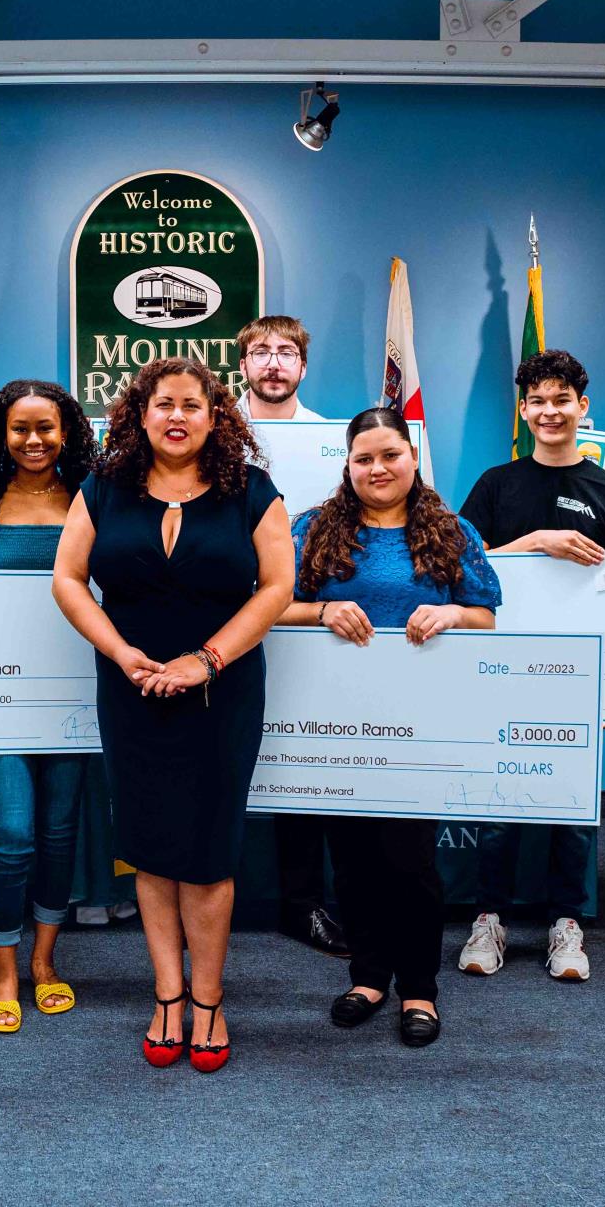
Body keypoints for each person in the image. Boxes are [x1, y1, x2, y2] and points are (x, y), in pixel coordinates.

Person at [54, 357, 293, 1073]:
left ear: (216, 418)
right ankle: (167, 994)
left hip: (222, 692)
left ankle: (209, 1000)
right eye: (165, 404)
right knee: (151, 844)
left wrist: (206, 659)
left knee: (210, 849)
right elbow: (68, 579)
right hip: (130, 688)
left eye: (193, 404)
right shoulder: (103, 487)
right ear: (140, 413)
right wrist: (119, 651)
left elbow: (277, 587)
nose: (178, 416)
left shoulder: (251, 490)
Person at [280, 408, 501, 1047]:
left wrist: (451, 615)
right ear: (348, 466)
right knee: (351, 861)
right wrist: (321, 610)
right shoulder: (312, 530)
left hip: (421, 724)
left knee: (410, 862)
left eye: (390, 455)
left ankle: (419, 987)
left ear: (412, 457)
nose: (378, 468)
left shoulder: (452, 531)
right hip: (336, 724)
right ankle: (369, 976)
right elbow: (272, 607)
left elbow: (487, 618)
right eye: (364, 459)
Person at [455, 350, 605, 983]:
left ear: (582, 407)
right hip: (502, 668)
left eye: (562, 399)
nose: (550, 411)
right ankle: (489, 918)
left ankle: (567, 923)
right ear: (523, 410)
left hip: (579, 676)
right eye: (537, 400)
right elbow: (463, 569)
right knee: (499, 802)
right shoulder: (496, 485)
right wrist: (537, 543)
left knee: (573, 807)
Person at [0, 380, 100, 1032]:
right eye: (20, 428)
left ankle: (44, 960)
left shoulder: (93, 498)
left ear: (67, 432)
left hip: (74, 695)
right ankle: (4, 969)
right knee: (12, 832)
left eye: (46, 427)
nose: (33, 440)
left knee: (60, 831)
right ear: (0, 435)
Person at [232, 315, 346, 958]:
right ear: (243, 364)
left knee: (307, 754)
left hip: (310, 614)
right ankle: (212, 894)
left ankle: (305, 903)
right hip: (222, 611)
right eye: (260, 352)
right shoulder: (214, 434)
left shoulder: (334, 441)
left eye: (285, 353)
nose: (273, 363)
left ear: (302, 366)